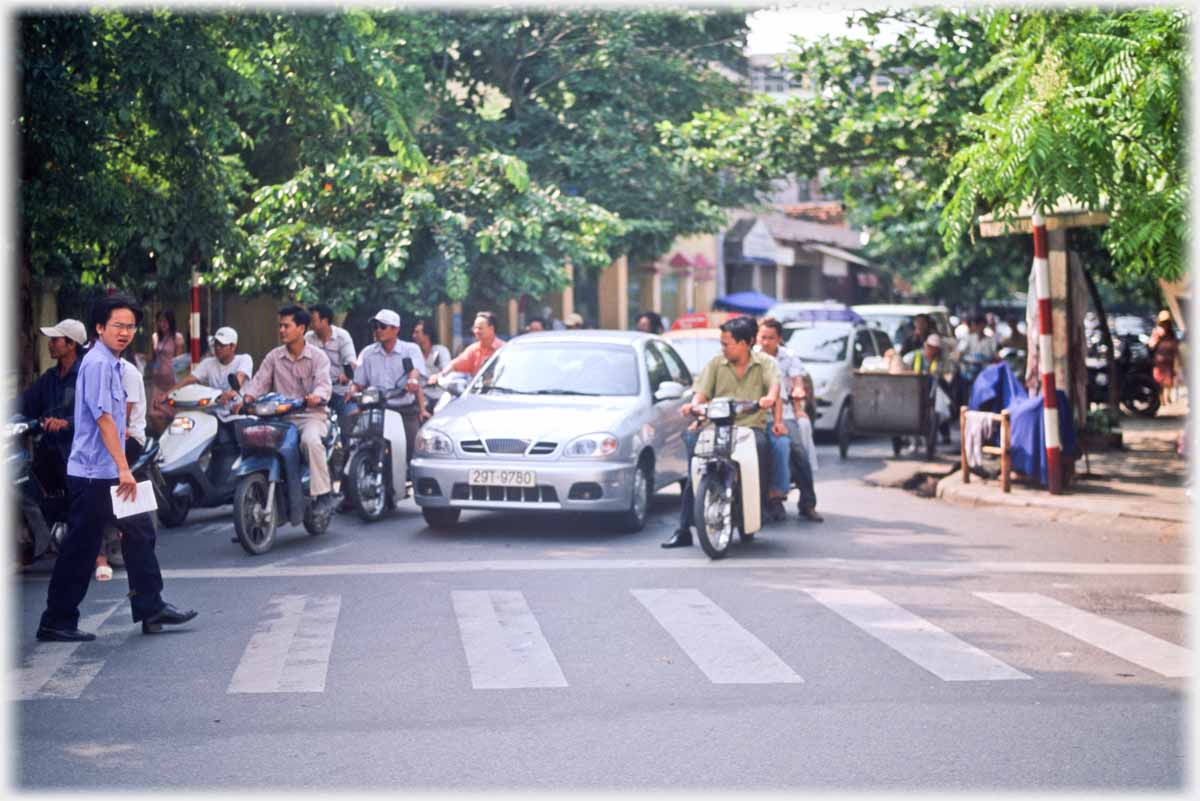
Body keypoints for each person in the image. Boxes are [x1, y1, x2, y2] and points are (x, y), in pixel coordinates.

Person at [36, 294, 197, 642]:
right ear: (98, 328)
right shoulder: (96, 363)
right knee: (82, 545)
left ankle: (151, 608)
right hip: (96, 474)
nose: (125, 332)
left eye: (130, 326)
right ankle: (56, 619)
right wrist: (125, 469)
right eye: (117, 326)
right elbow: (106, 420)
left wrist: (121, 468)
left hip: (109, 470)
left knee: (140, 529)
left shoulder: (111, 363)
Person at [662, 316, 780, 548]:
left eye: (727, 343)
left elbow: (774, 386)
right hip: (714, 426)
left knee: (762, 447)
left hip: (749, 427)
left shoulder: (766, 363)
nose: (723, 348)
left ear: (745, 343)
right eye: (722, 344)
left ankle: (758, 508)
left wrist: (768, 399)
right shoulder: (716, 364)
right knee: (695, 465)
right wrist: (694, 405)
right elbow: (701, 393)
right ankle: (684, 528)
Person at [238, 305, 337, 516]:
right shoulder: (274, 357)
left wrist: (316, 397)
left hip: (311, 416)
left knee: (310, 441)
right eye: (280, 326)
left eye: (286, 326)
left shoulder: (318, 357)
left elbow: (324, 384)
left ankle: (323, 494)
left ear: (301, 328)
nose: (281, 330)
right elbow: (258, 383)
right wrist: (246, 399)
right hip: (280, 418)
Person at [756, 317, 822, 522]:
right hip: (756, 414)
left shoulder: (789, 357)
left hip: (783, 413)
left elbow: (797, 383)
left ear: (779, 339)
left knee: (797, 451)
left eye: (770, 338)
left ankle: (807, 503)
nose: (765, 342)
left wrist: (798, 404)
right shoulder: (752, 356)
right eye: (762, 337)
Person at [95, 350, 149, 582]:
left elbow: (119, 421)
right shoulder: (95, 370)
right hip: (107, 440)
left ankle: (104, 555)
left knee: (102, 494)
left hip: (128, 439)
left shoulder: (126, 372)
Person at [353, 309, 429, 469]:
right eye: (375, 326)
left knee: (412, 450)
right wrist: (352, 392)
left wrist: (413, 381)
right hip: (375, 409)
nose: (377, 330)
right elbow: (358, 383)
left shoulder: (410, 349)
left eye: (382, 326)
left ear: (396, 329)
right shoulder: (367, 353)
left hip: (404, 410)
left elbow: (414, 370)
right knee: (355, 444)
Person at [20, 318, 87, 497]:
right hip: (48, 451)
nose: (50, 344)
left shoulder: (86, 376)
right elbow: (25, 403)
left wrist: (66, 423)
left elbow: (96, 415)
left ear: (71, 344)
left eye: (55, 340)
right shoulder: (50, 377)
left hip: (75, 454)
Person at [167, 326, 252, 405]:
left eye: (222, 345)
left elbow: (239, 377)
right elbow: (190, 379)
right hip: (214, 411)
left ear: (233, 346)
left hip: (238, 413)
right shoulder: (208, 363)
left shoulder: (244, 359)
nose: (217, 348)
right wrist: (168, 393)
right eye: (216, 344)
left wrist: (231, 393)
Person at [306, 304, 358, 421]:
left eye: (313, 321)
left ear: (324, 321)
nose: (310, 324)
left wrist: (346, 375)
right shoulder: (308, 338)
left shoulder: (342, 336)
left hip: (340, 391)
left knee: (351, 418)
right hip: (317, 392)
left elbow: (352, 362)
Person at [428, 311, 505, 383]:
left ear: (491, 329)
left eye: (480, 328)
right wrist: (440, 375)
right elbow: (455, 364)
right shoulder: (473, 349)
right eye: (475, 328)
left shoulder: (504, 349)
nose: (476, 331)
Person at [146, 308, 186, 432]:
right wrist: (139, 357)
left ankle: (173, 443)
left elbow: (179, 363)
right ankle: (163, 440)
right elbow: (151, 357)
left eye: (165, 321)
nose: (162, 324)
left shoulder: (177, 338)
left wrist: (180, 383)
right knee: (153, 413)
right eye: (160, 321)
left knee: (176, 415)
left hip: (172, 383)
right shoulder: (155, 337)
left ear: (171, 322)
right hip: (158, 382)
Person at [412, 317, 451, 414]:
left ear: (427, 335)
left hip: (440, 394)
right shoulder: (413, 353)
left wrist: (437, 376)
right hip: (421, 397)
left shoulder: (440, 350)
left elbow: (448, 370)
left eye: (417, 332)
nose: (414, 335)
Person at [1149, 310, 1180, 407]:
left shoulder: (1171, 333)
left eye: (1167, 322)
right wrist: (1159, 338)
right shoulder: (1157, 332)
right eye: (1164, 322)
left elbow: (1175, 347)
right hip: (1159, 361)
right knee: (1159, 381)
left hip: (1169, 361)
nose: (1166, 324)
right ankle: (1161, 399)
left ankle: (1168, 397)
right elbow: (1151, 345)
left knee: (1169, 380)